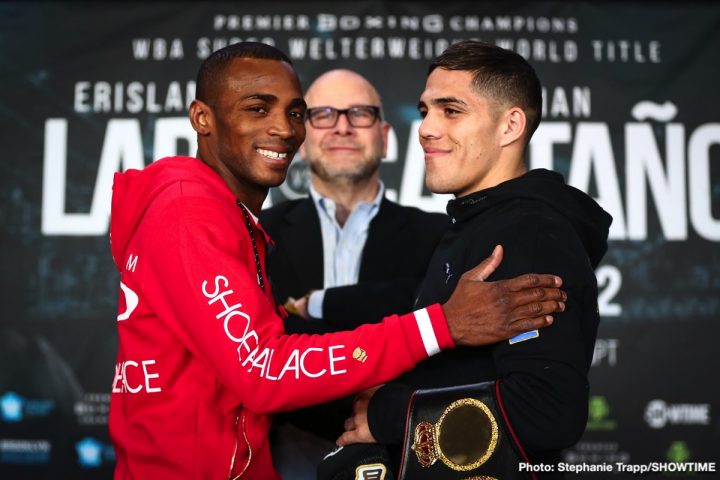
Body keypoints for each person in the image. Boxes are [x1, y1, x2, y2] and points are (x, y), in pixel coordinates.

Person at [108, 42, 567, 479]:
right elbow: (265, 367)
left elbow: (543, 409)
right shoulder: (190, 212)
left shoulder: (234, 219)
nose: (285, 128)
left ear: (384, 137)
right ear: (202, 118)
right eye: (257, 108)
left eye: (294, 113)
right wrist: (437, 326)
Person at [336, 40, 612, 477]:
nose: (425, 128)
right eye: (425, 110)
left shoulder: (529, 232)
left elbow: (546, 413)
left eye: (451, 110)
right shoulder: (474, 225)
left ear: (510, 126)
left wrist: (390, 413)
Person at [260, 69, 449, 478]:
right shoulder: (257, 233)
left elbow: (442, 341)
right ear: (302, 139)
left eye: (359, 114)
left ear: (384, 137)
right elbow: (262, 345)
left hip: (402, 448)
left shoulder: (440, 237)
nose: (342, 127)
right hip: (287, 447)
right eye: (323, 115)